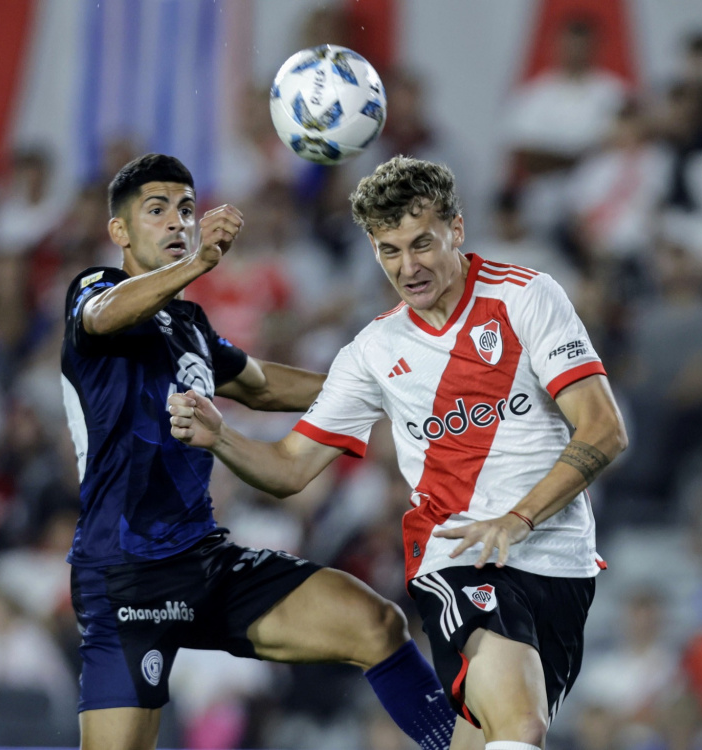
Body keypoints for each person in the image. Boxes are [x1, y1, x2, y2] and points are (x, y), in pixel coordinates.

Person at [169, 156, 629, 750]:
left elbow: (603, 429)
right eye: (389, 251)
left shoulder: (527, 298)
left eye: (421, 244)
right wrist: (222, 438)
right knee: (521, 725)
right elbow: (290, 468)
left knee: (490, 738)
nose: (408, 267)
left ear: (456, 230)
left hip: (562, 562)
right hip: (458, 556)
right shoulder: (374, 351)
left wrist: (519, 518)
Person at [61, 154, 457, 750]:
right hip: (123, 576)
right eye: (157, 210)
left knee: (376, 623)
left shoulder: (189, 325)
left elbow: (264, 385)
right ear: (119, 231)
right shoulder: (95, 290)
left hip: (203, 561)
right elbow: (104, 316)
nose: (177, 222)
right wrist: (198, 263)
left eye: (186, 210)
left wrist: (383, 388)